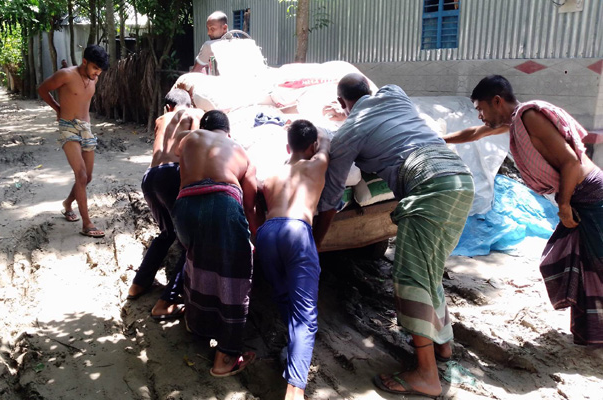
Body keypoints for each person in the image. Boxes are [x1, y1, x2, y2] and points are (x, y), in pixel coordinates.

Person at [313, 74, 474, 398]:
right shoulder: (394, 94)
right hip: (459, 179)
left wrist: (315, 245)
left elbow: (331, 196)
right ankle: (442, 346)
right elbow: (376, 107)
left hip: (429, 187)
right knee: (428, 269)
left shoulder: (348, 132)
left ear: (343, 102)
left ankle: (426, 374)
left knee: (410, 276)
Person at [443, 75, 603, 345]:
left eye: (481, 109)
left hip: (591, 196)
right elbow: (474, 133)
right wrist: (438, 140)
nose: (480, 116)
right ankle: (593, 332)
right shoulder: (513, 122)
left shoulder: (529, 117)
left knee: (596, 265)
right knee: (577, 263)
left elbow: (570, 162)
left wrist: (563, 205)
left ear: (497, 101)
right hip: (580, 199)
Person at [172, 110, 260, 377]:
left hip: (185, 206)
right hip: (223, 204)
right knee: (233, 279)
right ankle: (226, 356)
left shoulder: (191, 138)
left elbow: (177, 149)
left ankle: (196, 324)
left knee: (197, 264)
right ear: (229, 133)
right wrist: (254, 238)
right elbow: (250, 205)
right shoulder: (242, 153)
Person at [255, 120, 329, 400]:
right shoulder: (317, 164)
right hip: (297, 231)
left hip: (267, 233)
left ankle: (292, 349)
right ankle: (295, 390)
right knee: (305, 315)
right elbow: (327, 142)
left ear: (287, 147)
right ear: (312, 146)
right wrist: (320, 130)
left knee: (285, 298)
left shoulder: (271, 175)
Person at [127, 89, 203, 321]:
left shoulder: (161, 119)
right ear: (187, 104)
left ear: (168, 107)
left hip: (150, 177)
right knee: (193, 244)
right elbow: (198, 139)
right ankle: (166, 301)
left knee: (167, 233)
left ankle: (138, 284)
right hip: (173, 175)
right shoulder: (194, 113)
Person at [38, 45, 109, 238]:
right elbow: (43, 89)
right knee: (80, 173)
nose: (97, 73)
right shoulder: (66, 75)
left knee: (88, 177)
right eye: (95, 68)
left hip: (86, 128)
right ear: (84, 61)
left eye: (100, 70)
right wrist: (57, 108)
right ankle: (87, 224)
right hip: (68, 127)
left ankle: (68, 203)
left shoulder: (92, 79)